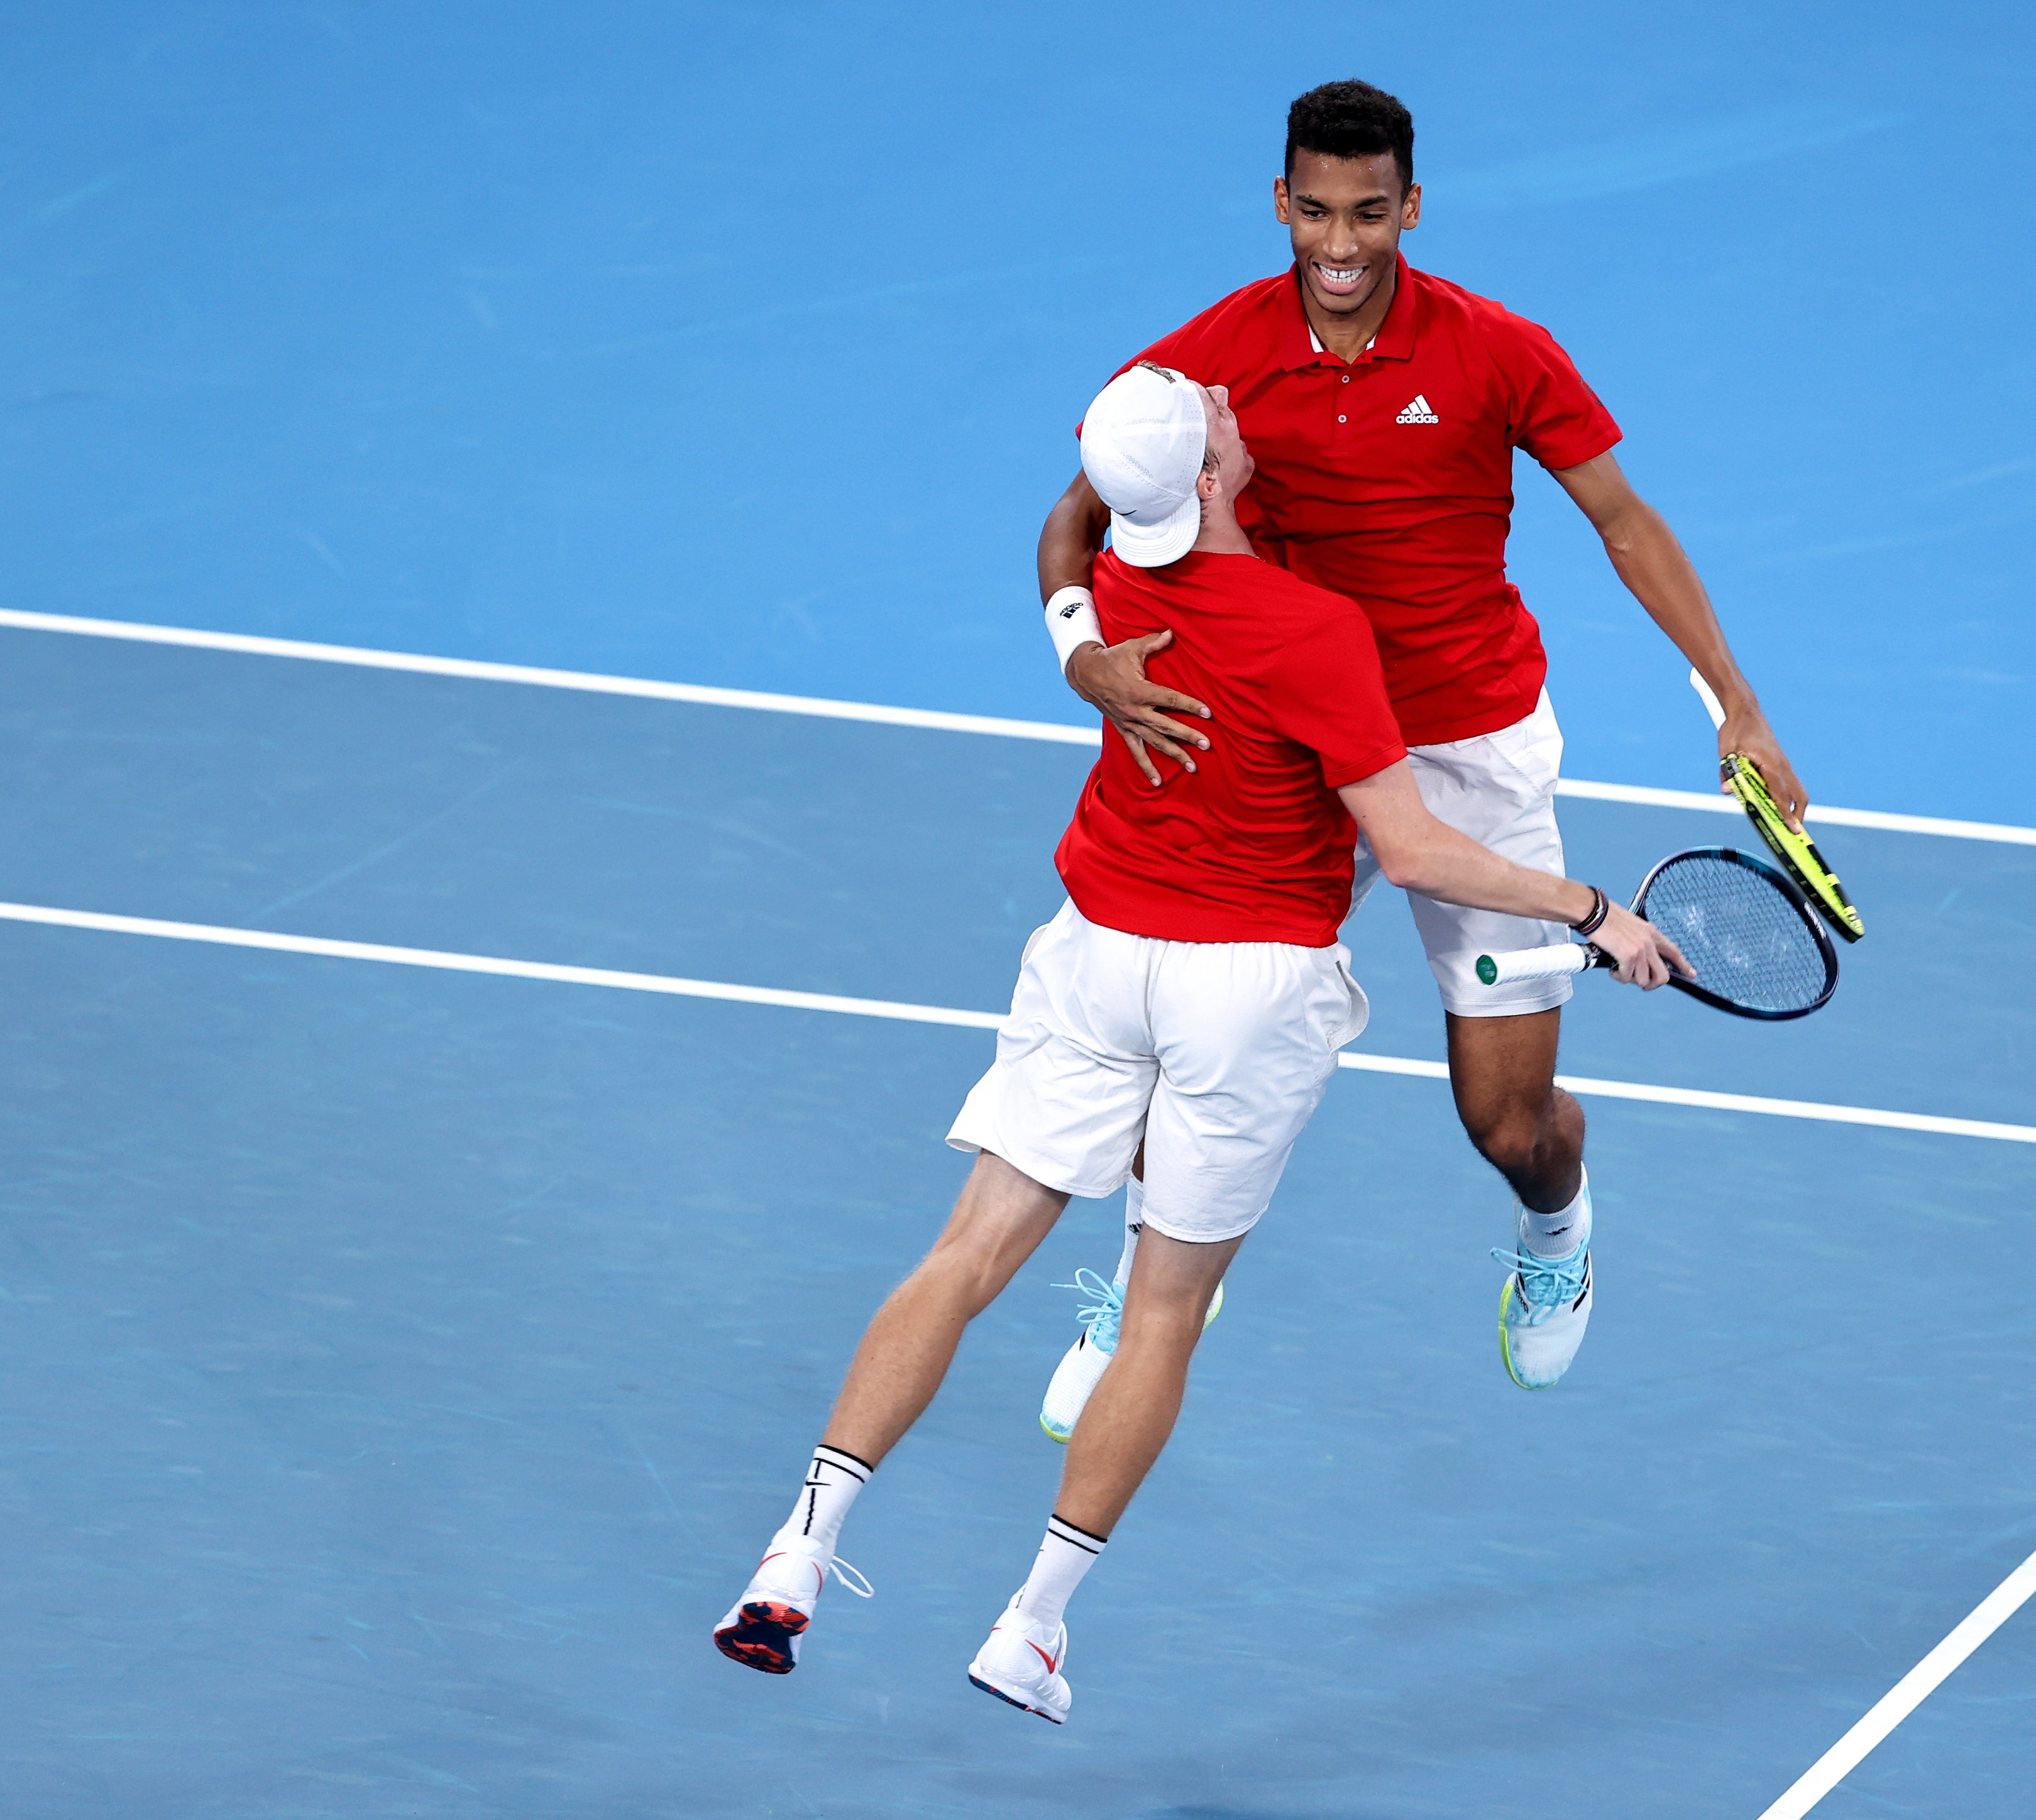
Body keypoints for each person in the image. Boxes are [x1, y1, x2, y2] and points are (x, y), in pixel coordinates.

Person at [714, 363, 1684, 1723]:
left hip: (1094, 954)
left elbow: (1068, 544)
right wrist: (1596, 912)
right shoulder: (1314, 627)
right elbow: (1407, 847)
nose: (1234, 412)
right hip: (1244, 991)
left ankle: (797, 1547)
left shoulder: (1112, 593)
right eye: (1219, 422)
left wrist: (1073, 649)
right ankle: (1033, 1624)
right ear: (1219, 476)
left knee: (964, 1253)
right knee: (1164, 1309)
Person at [1033, 80, 1812, 1412]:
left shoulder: (1499, 350)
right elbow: (1075, 523)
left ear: (1410, 207)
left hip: (1472, 742)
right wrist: (1078, 648)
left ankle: (1557, 1233)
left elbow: (1623, 520)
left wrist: (1732, 695)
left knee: (1507, 1121)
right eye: (1318, 212)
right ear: (1282, 203)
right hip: (1285, 747)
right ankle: (1154, 1282)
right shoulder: (1202, 367)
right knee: (1199, 1031)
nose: (1342, 244)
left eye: (1370, 213)